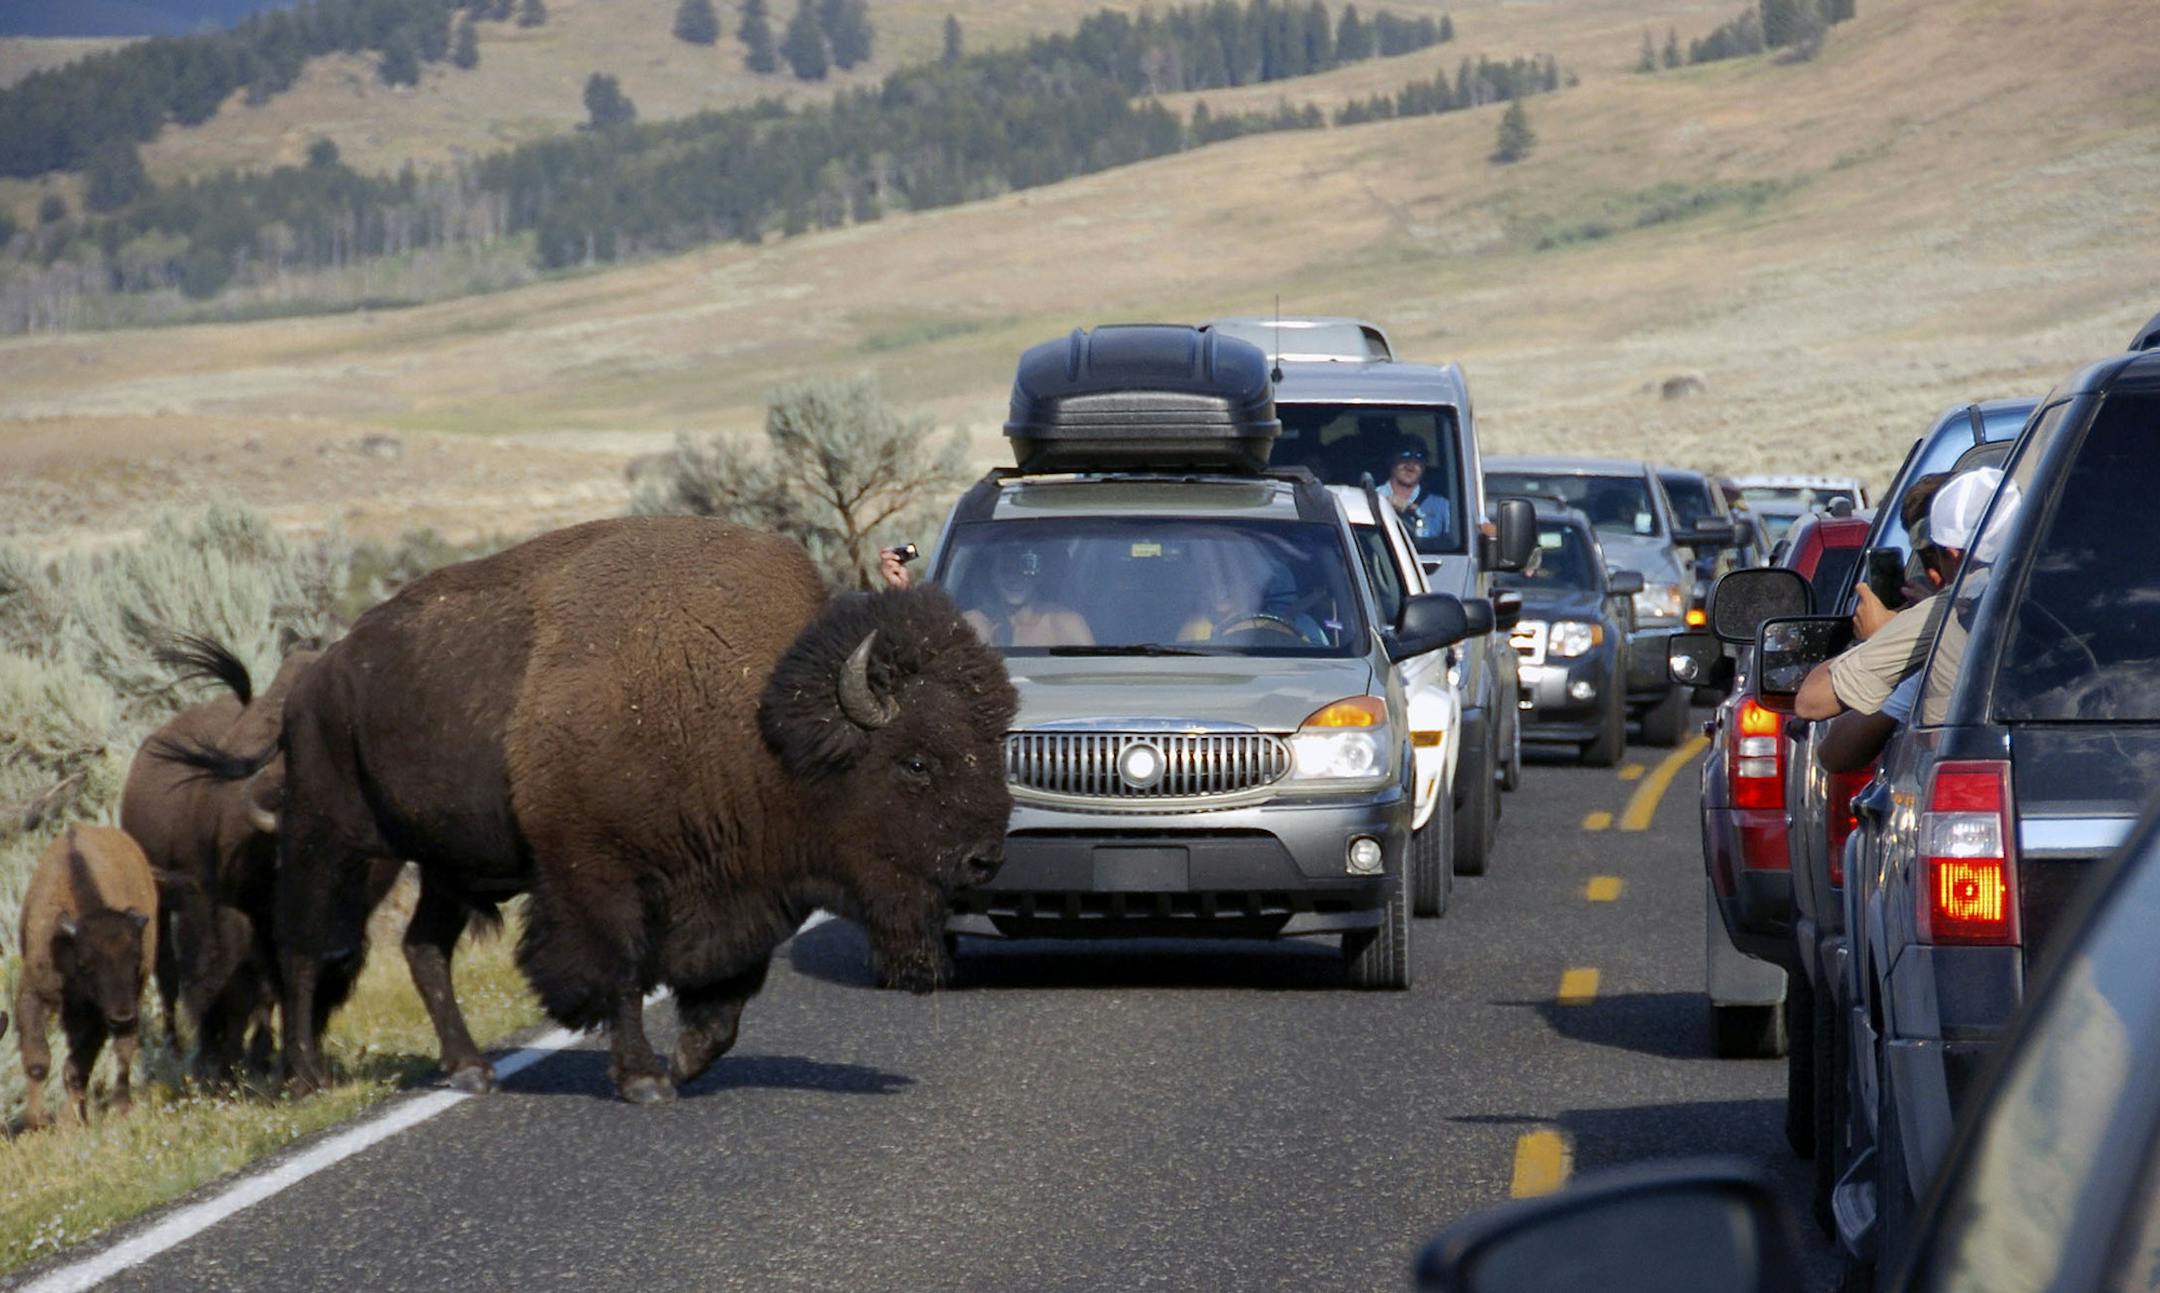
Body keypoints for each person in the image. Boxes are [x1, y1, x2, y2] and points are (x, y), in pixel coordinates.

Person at [1795, 467, 2015, 722]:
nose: (1933, 575)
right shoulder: (2049, 590)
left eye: (1934, 556)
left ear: (1953, 552)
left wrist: (1884, 636)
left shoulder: (1948, 611)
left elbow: (1813, 703)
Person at [1383, 445, 1450, 542]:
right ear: (1391, 461)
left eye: (1418, 459)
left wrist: (1413, 513)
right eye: (1404, 457)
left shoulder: (1441, 506)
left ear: (1424, 465)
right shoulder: (1372, 498)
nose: (1410, 466)